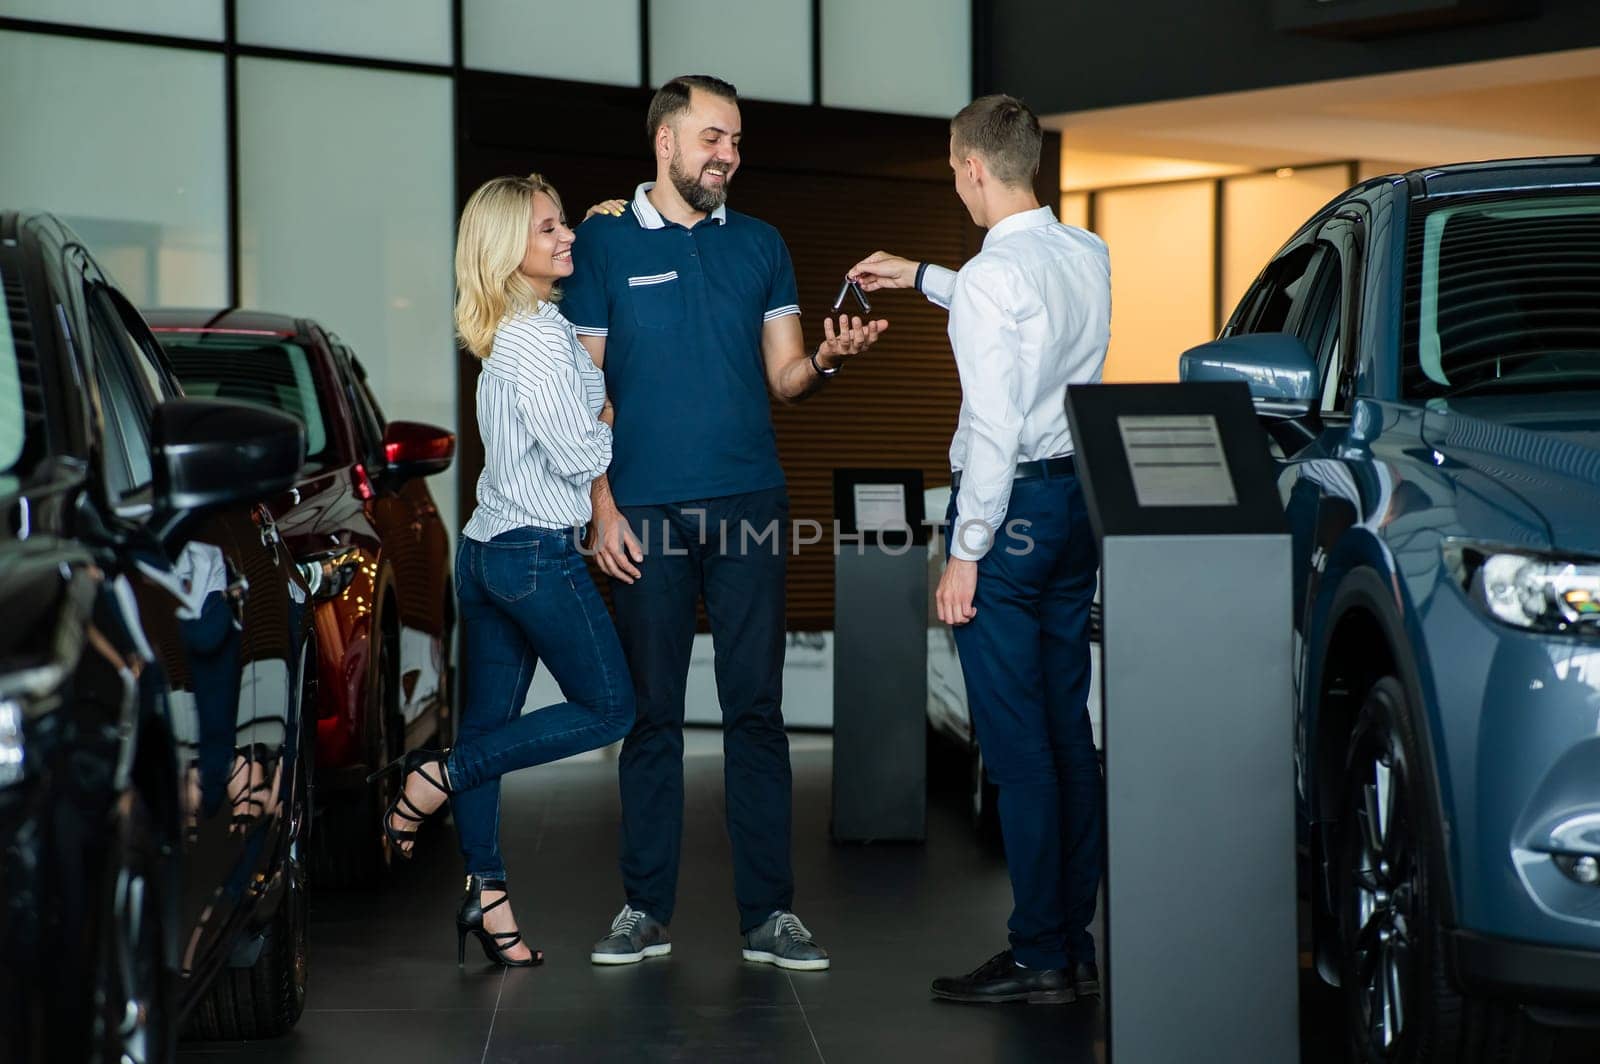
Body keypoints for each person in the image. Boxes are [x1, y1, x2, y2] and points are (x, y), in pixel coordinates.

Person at [561, 74, 885, 972]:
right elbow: (584, 388)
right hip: (644, 513)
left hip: (749, 502)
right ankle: (642, 908)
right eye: (712, 137)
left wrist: (824, 356)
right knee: (653, 714)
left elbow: (786, 378)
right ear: (664, 142)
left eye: (736, 141)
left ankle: (770, 916)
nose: (728, 155)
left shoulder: (762, 245)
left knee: (756, 713)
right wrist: (599, 505)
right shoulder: (601, 241)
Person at [849, 93, 1111, 1005]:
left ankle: (1039, 951)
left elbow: (995, 427)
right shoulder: (1084, 253)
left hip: (1010, 519)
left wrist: (964, 554)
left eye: (953, 170)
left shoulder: (997, 276)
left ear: (970, 166)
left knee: (1018, 743)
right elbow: (1017, 310)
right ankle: (1072, 941)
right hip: (1077, 506)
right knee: (1070, 731)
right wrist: (922, 275)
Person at [372, 173, 635, 968]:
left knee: (488, 723)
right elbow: (582, 451)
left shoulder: (511, 331)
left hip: (486, 552)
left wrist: (592, 227)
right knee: (611, 708)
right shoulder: (538, 337)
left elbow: (565, 414)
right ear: (504, 252)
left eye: (564, 225)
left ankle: (488, 899)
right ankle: (435, 779)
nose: (567, 240)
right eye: (548, 231)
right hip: (533, 556)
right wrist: (612, 419)